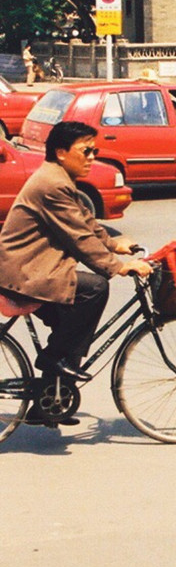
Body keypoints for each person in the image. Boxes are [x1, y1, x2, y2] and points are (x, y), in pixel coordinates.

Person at [0, 121, 151, 424]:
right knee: (94, 288)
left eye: (94, 150)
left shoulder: (61, 179)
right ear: (61, 152)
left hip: (35, 266)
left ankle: (52, 399)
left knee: (72, 326)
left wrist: (115, 244)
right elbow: (78, 238)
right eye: (85, 150)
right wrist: (118, 267)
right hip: (24, 272)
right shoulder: (51, 183)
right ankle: (53, 361)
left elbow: (86, 223)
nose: (92, 156)